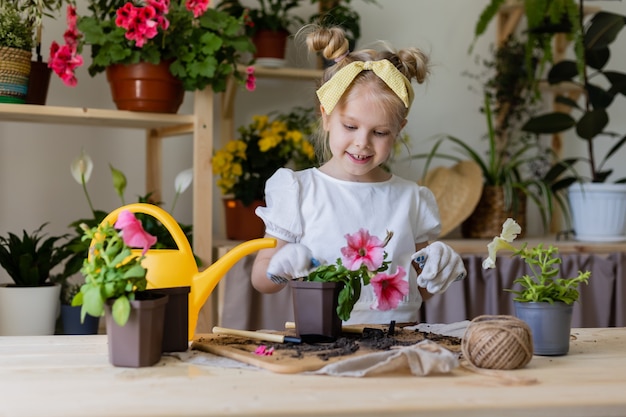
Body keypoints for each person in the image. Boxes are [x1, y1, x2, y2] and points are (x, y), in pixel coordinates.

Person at [251, 26, 466, 325]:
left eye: (379, 132)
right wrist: (279, 267)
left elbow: (420, 290)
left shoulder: (411, 199)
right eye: (350, 127)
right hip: (323, 345)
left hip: (399, 345)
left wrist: (438, 268)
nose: (362, 142)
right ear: (326, 117)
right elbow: (261, 280)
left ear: (398, 130)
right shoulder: (299, 190)